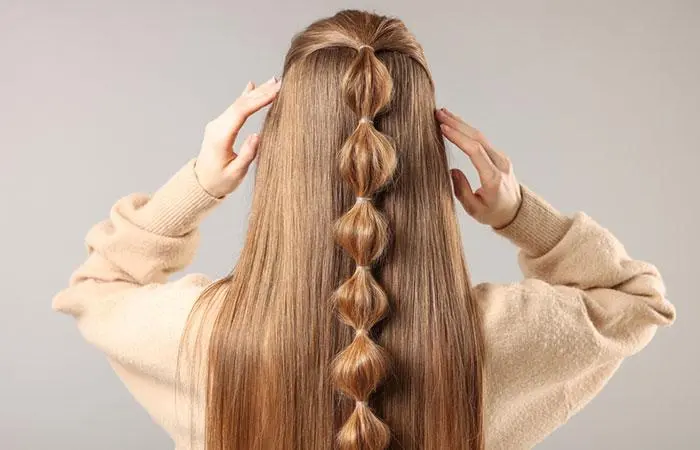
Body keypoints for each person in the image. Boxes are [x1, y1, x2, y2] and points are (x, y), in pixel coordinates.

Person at [52, 9, 676, 450]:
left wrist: (198, 183)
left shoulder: (204, 337)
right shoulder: (491, 340)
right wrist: (519, 213)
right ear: (427, 151)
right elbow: (637, 301)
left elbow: (97, 286)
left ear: (282, 150)